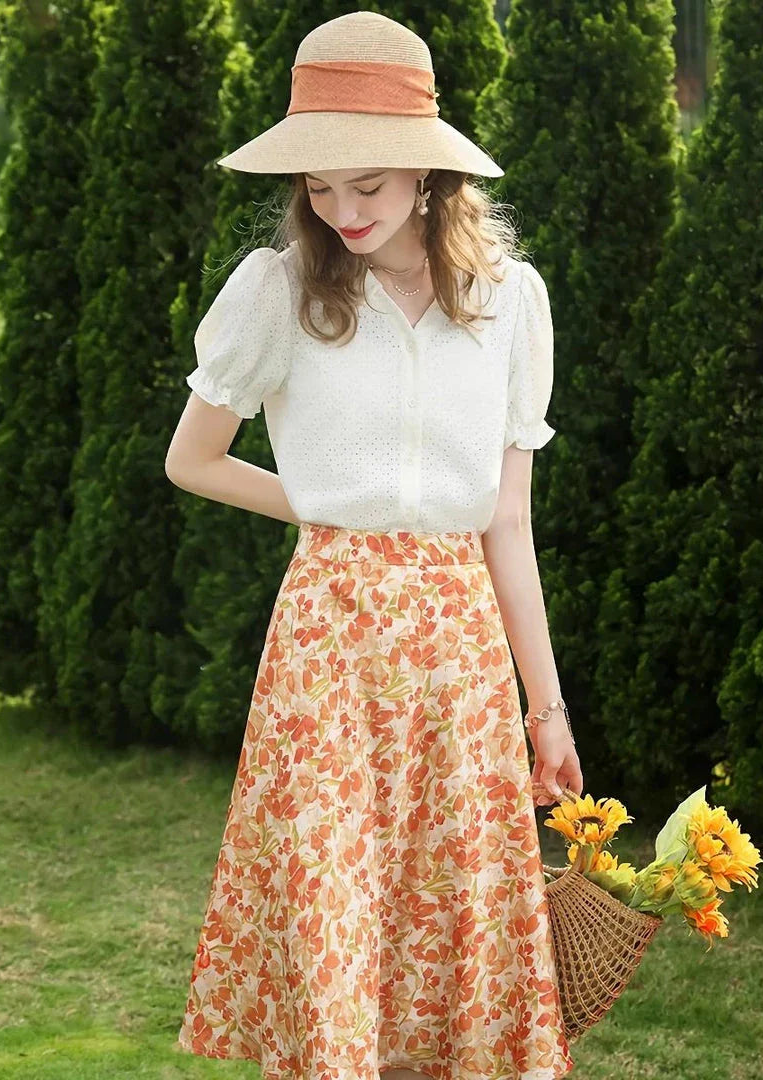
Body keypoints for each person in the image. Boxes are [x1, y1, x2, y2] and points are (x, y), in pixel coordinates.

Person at [165, 10, 583, 1080]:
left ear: (427, 175)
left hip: (458, 648)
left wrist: (546, 710)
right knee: (335, 893)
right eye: (319, 187)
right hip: (331, 640)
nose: (342, 213)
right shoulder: (280, 290)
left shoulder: (508, 302)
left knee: (452, 899)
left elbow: (507, 521)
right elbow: (194, 459)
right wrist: (326, 511)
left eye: (368, 186)